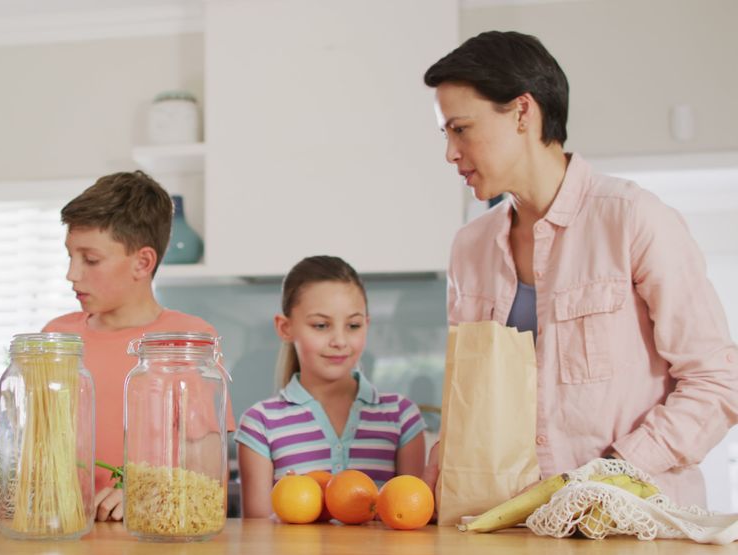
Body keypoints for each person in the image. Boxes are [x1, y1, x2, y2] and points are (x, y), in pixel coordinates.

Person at [423, 31, 738, 507]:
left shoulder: (632, 218)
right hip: (509, 531)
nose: (449, 153)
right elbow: (470, 401)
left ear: (523, 112)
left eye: (460, 129)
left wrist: (615, 472)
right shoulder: (470, 248)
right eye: (444, 134)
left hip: (633, 532)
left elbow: (717, 381)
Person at [43, 171, 234, 522]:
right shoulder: (57, 339)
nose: (72, 273)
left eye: (90, 259)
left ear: (142, 262)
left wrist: (145, 496)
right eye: (70, 256)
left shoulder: (188, 341)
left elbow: (208, 470)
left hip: (152, 535)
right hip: (69, 533)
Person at [235, 256, 426, 519]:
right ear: (285, 327)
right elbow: (258, 535)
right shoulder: (260, 424)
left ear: (366, 326)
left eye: (353, 326)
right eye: (321, 325)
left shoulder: (401, 416)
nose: (339, 340)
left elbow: (413, 515)